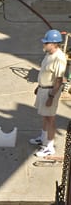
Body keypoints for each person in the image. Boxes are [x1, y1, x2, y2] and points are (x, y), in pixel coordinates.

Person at [29, 29, 67, 157]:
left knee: (50, 118)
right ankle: (43, 137)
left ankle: (49, 146)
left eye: (46, 43)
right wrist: (39, 86)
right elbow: (45, 73)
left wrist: (51, 96)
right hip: (43, 88)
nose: (44, 45)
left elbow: (59, 80)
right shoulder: (48, 54)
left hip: (50, 91)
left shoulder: (59, 59)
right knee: (45, 116)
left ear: (54, 43)